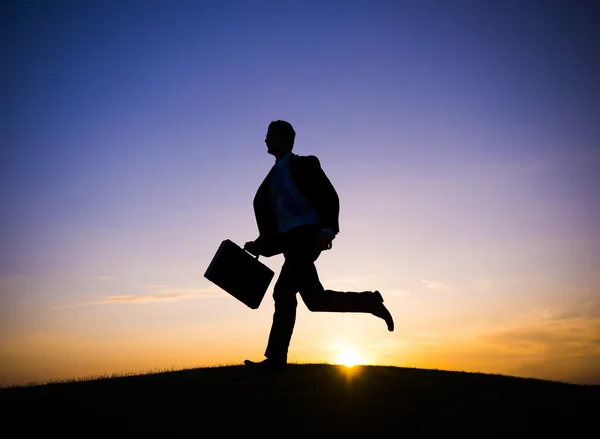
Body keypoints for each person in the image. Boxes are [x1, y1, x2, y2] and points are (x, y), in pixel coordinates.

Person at [243, 120, 394, 372]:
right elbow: (276, 220)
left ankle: (276, 360)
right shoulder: (269, 182)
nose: (266, 140)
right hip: (289, 242)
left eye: (270, 135)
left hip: (307, 238)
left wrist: (327, 230)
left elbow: (329, 195)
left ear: (285, 139)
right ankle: (369, 302)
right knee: (313, 300)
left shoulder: (305, 164)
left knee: (283, 293)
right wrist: (260, 244)